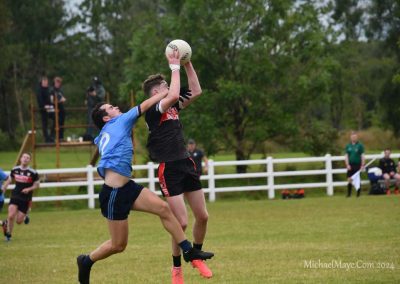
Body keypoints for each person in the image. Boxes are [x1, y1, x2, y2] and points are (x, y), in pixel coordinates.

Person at [76, 50, 213, 284]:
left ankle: (188, 251)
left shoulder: (106, 131)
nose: (116, 107)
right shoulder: (121, 121)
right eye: (111, 107)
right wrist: (174, 66)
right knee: (119, 245)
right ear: (107, 118)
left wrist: (185, 64)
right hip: (113, 193)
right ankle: (87, 260)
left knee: (164, 210)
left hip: (128, 186)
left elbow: (188, 93)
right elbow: (155, 101)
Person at [143, 59, 212, 283]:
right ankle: (176, 269)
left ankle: (196, 255)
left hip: (186, 163)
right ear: (156, 92)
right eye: (164, 85)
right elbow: (172, 95)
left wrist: (188, 63)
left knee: (202, 216)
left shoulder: (172, 106)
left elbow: (197, 90)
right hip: (168, 167)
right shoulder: (154, 109)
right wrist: (174, 67)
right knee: (180, 222)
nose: (170, 87)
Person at [1, 153, 40, 241]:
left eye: (28, 158)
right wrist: (3, 189)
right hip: (15, 195)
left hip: (25, 198)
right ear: (20, 159)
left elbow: (37, 185)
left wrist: (29, 189)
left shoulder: (33, 172)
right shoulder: (15, 170)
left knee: (19, 221)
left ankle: (25, 216)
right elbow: (9, 180)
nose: (25, 159)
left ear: (29, 160)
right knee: (11, 216)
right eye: (24, 157)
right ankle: (9, 235)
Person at [344, 131, 365, 197]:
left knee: (357, 179)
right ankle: (349, 194)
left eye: (355, 137)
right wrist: (347, 165)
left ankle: (358, 194)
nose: (354, 138)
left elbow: (362, 155)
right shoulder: (348, 146)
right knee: (349, 179)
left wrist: (362, 165)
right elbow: (346, 156)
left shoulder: (360, 145)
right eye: (352, 137)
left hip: (357, 165)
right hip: (350, 165)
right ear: (350, 138)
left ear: (357, 137)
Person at [36, 76, 55, 143]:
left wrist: (52, 104)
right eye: (44, 81)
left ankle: (52, 136)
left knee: (56, 119)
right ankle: (46, 138)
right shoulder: (39, 90)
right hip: (43, 108)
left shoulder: (49, 89)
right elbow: (40, 99)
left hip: (50, 108)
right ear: (42, 82)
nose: (45, 83)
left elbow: (51, 98)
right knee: (45, 123)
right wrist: (44, 106)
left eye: (46, 81)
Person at [50, 76, 66, 141]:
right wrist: (59, 101)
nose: (58, 84)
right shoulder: (52, 90)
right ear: (55, 82)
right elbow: (51, 101)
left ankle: (61, 137)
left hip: (62, 109)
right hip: (56, 109)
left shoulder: (60, 90)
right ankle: (53, 137)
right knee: (56, 123)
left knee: (62, 123)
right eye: (57, 82)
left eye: (59, 82)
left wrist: (62, 100)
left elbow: (63, 98)